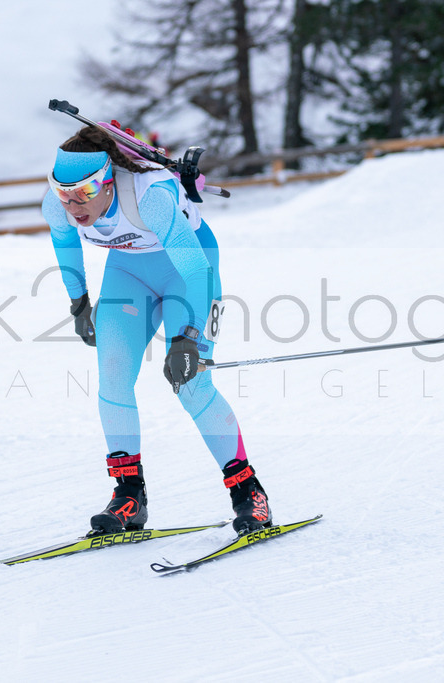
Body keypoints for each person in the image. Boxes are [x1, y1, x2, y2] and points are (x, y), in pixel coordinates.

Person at [41, 124, 272, 536]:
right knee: (113, 375)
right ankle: (129, 496)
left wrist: (187, 336)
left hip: (190, 272)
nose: (74, 205)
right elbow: (65, 245)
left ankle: (248, 493)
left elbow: (197, 271)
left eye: (86, 193)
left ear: (109, 180)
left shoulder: (151, 198)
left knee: (191, 385)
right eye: (64, 192)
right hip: (129, 274)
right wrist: (78, 301)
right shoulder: (57, 206)